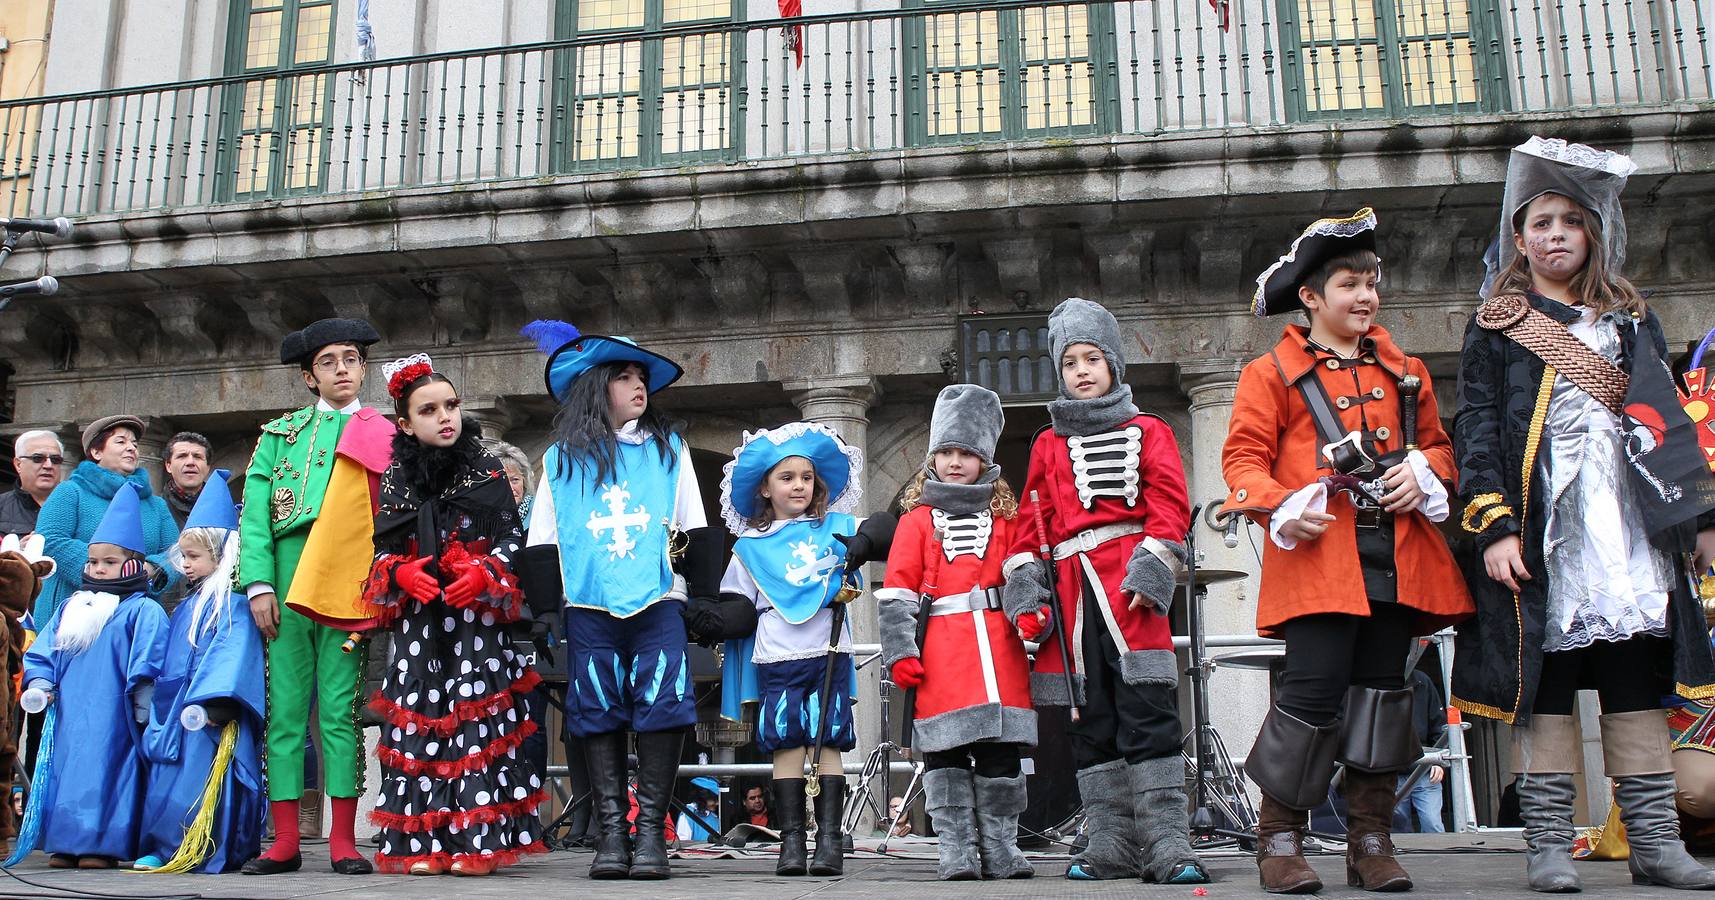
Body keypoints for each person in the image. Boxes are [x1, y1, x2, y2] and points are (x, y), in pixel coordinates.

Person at [1452, 136, 1715, 892]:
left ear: (1591, 232)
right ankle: (1544, 845)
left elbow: (1665, 421)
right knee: (1548, 685)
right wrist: (1496, 527)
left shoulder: (1630, 320)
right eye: (1541, 222)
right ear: (1518, 237)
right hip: (1545, 526)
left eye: (1570, 220)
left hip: (1628, 525)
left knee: (1634, 682)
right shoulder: (1495, 325)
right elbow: (1474, 428)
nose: (1556, 233)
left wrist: (1697, 519)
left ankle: (1655, 844)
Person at [1220, 208, 1473, 892]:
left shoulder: (1407, 371)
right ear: (1311, 297)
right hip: (1318, 561)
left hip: (1395, 559)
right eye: (1349, 284)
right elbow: (1242, 461)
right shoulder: (1267, 374)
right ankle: (1278, 838)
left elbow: (1442, 451)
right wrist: (1282, 505)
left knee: (1384, 697)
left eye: (1371, 282)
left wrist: (1422, 473)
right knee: (1308, 698)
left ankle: (1370, 839)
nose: (1365, 296)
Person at [1001, 298, 1206, 885]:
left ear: (1114, 364)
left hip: (1130, 589)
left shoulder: (1150, 430)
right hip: (1072, 598)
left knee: (1148, 714)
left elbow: (1169, 508)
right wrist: (1026, 584)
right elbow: (1030, 523)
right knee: (1091, 719)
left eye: (1092, 358)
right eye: (1070, 363)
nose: (1082, 371)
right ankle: (1111, 841)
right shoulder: (1044, 444)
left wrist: (1152, 569)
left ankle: (1167, 843)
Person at [515, 321, 715, 881]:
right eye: (623, 376)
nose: (638, 385)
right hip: (588, 600)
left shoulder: (670, 450)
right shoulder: (560, 460)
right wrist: (546, 610)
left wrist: (701, 599)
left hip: (659, 598)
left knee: (663, 705)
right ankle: (611, 833)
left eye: (641, 377)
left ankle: (650, 833)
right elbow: (544, 538)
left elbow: (695, 526)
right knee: (596, 710)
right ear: (594, 386)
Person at [363, 353, 544, 876]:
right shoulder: (398, 475)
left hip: (476, 623)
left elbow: (515, 539)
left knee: (474, 727)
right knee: (428, 725)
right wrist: (398, 574)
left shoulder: (486, 467)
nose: (445, 417)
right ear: (405, 423)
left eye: (452, 405)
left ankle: (478, 843)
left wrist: (486, 573)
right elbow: (382, 548)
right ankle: (427, 844)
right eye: (429, 410)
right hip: (421, 625)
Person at [238, 317, 392, 876]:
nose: (342, 370)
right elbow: (255, 519)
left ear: (364, 367)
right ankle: (283, 842)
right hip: (287, 581)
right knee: (284, 713)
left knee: (340, 712)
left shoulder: (386, 434)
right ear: (309, 376)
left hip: (352, 586)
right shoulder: (278, 436)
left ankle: (344, 841)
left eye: (350, 359)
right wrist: (258, 584)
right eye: (328, 362)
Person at [713, 421, 891, 878]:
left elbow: (889, 528)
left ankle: (828, 841)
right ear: (765, 489)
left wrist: (864, 544)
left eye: (807, 478)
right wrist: (704, 615)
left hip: (828, 650)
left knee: (828, 740)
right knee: (785, 743)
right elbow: (738, 608)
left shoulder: (839, 528)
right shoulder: (749, 548)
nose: (798, 486)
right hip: (777, 654)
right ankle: (791, 843)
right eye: (786, 478)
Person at [877, 384, 1035, 880]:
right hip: (941, 654)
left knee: (1000, 755)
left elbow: (1023, 569)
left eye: (966, 453)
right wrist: (900, 651)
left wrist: (1031, 610)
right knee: (943, 755)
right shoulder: (916, 520)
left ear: (984, 459)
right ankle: (957, 850)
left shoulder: (1006, 518)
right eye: (945, 452)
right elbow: (898, 591)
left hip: (999, 651)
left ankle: (1001, 848)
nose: (953, 462)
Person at [15, 483, 169, 868]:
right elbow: (45, 650)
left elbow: (150, 659)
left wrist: (143, 707)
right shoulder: (73, 605)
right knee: (67, 771)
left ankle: (103, 843)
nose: (98, 569)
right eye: (94, 561)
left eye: (109, 562)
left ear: (133, 565)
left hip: (116, 713)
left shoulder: (142, 610)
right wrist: (40, 683)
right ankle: (65, 842)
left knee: (110, 772)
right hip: (70, 712)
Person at [134, 469, 267, 873]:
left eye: (193, 557)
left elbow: (234, 654)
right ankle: (164, 842)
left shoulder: (235, 604)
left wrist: (216, 702)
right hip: (176, 711)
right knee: (167, 779)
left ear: (221, 553)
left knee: (199, 780)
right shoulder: (191, 604)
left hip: (209, 713)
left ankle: (200, 843)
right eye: (183, 557)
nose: (185, 566)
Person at [35, 415, 180, 623]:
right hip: (71, 614)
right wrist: (105, 568)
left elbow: (175, 552)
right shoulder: (71, 492)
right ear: (96, 452)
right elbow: (50, 539)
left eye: (134, 444)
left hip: (133, 616)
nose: (131, 448)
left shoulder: (155, 505)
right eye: (121, 441)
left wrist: (151, 569)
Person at [1397, 666, 1448, 834]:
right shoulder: (1378, 681)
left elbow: (1439, 725)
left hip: (1425, 769)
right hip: (1391, 772)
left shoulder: (1422, 681)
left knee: (1432, 824)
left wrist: (1438, 760)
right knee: (1396, 829)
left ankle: (1440, 859)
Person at [0, 430, 64, 536]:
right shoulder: (2, 505)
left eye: (55, 459)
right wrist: (14, 550)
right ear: (18, 465)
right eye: (38, 458)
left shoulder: (80, 507)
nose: (48, 465)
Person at [162, 432, 216, 528]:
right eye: (182, 456)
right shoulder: (153, 509)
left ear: (208, 467)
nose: (190, 462)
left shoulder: (222, 508)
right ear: (168, 466)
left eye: (197, 457)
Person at [676, 778, 720, 843]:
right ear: (702, 798)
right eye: (714, 800)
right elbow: (683, 843)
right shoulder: (688, 814)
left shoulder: (714, 817)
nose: (717, 803)